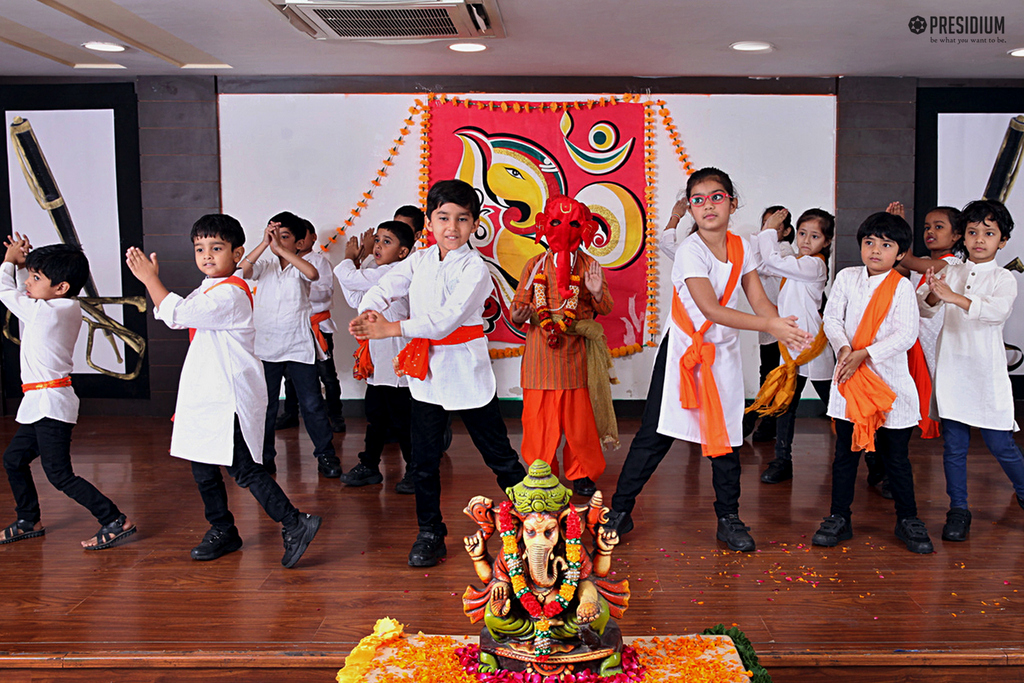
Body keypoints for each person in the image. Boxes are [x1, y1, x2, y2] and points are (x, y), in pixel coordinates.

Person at [601, 168, 812, 552]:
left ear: (732, 202)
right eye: (698, 200)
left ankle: (728, 518)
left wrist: (779, 321)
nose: (707, 206)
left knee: (727, 436)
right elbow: (711, 309)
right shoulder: (690, 250)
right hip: (684, 350)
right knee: (656, 434)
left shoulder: (741, 246)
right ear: (691, 209)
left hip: (722, 353)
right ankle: (619, 510)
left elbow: (756, 296)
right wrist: (769, 324)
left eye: (716, 197)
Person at [349, 179, 527, 567]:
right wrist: (369, 310)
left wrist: (391, 329)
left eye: (462, 219)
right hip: (426, 375)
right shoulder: (420, 260)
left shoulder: (476, 269)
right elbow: (386, 286)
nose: (452, 227)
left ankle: (536, 520)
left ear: (474, 224)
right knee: (424, 463)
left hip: (466, 370)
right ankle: (430, 532)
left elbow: (445, 321)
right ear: (428, 221)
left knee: (499, 456)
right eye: (443, 217)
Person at [125, 215, 320, 566]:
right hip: (205, 395)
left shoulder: (230, 292)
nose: (207, 255)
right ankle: (223, 529)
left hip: (226, 396)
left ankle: (295, 522)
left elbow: (179, 313)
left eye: (217, 248)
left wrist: (151, 280)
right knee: (202, 466)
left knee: (243, 468)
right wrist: (153, 284)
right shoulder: (210, 287)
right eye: (200, 249)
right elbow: (175, 313)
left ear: (236, 252)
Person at [0, 236, 136, 550]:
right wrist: (27, 267)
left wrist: (10, 260)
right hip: (39, 403)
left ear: (61, 287)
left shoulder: (48, 312)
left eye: (36, 277)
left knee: (59, 474)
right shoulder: (60, 305)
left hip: (51, 404)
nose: (29, 282)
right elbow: (30, 293)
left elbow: (9, 293)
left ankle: (115, 519)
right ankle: (27, 520)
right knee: (13, 460)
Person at [812, 212, 933, 554]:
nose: (875, 250)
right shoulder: (848, 278)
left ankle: (907, 518)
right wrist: (846, 348)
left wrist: (865, 354)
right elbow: (832, 318)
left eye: (886, 244)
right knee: (845, 457)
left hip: (889, 385)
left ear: (899, 253)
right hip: (850, 382)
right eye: (869, 243)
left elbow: (906, 335)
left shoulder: (902, 287)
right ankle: (839, 517)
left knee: (896, 459)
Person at [918, 200, 1024, 541]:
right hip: (952, 372)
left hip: (986, 375)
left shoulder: (1003, 277)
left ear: (1002, 241)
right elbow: (925, 309)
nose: (980, 239)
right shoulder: (951, 272)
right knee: (954, 447)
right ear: (963, 237)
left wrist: (953, 297)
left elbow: (994, 313)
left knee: (1001, 444)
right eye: (973, 232)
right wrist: (934, 295)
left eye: (989, 233)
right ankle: (959, 510)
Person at [510, 195, 615, 497]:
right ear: (544, 226)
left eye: (572, 224)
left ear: (584, 228)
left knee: (580, 425)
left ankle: (582, 474)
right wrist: (519, 315)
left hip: (576, 356)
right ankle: (540, 473)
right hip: (540, 356)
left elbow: (606, 307)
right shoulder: (534, 264)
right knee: (538, 423)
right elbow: (519, 307)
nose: (564, 230)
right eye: (556, 223)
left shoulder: (590, 265)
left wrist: (595, 292)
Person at [240, 212, 341, 478]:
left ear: (299, 243)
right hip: (266, 346)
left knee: (311, 403)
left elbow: (312, 273)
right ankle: (264, 458)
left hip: (298, 344)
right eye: (274, 235)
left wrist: (282, 250)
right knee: (267, 404)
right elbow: (243, 270)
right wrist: (265, 244)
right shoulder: (266, 265)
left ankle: (326, 456)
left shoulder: (302, 265)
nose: (278, 242)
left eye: (285, 237)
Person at [748, 208, 836, 484]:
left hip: (815, 350)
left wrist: (768, 232)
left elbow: (773, 261)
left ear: (827, 242)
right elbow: (763, 265)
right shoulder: (798, 264)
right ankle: (781, 460)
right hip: (793, 351)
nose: (806, 241)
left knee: (837, 406)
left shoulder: (814, 265)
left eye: (815, 236)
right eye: (802, 234)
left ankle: (872, 457)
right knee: (786, 406)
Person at [334, 220, 416, 494]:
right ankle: (369, 466)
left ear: (403, 252)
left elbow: (345, 275)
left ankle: (416, 471)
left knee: (404, 421)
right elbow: (354, 297)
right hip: (380, 362)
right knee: (377, 416)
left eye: (386, 241)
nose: (378, 245)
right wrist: (363, 260)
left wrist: (351, 257)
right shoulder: (377, 273)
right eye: (377, 240)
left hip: (400, 361)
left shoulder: (395, 272)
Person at [275, 222, 346, 434]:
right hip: (294, 326)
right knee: (290, 373)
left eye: (302, 237)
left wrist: (299, 288)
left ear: (312, 238)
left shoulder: (319, 262)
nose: (298, 242)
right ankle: (290, 413)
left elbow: (325, 292)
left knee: (327, 374)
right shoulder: (283, 262)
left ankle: (336, 415)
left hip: (317, 325)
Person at [744, 206, 796, 442]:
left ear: (785, 231)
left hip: (783, 322)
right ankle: (766, 420)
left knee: (777, 374)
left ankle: (765, 421)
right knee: (767, 371)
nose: (767, 229)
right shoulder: (767, 249)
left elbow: (759, 265)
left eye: (774, 225)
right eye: (765, 223)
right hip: (769, 323)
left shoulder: (784, 251)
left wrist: (763, 236)